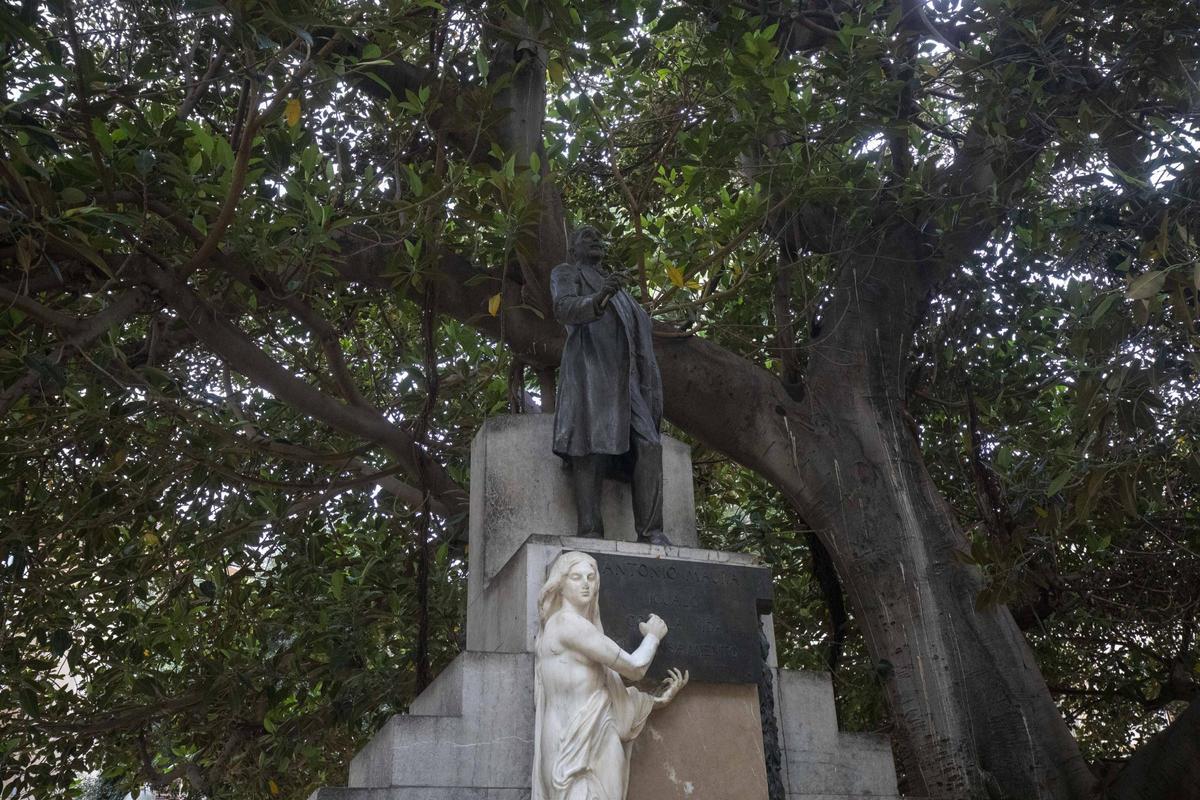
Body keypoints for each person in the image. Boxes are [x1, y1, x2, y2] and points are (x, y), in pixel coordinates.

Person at [533, 551, 688, 800]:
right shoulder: (566, 624)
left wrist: (655, 701)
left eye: (591, 577)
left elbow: (599, 691)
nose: (586, 583)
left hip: (602, 733)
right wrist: (653, 636)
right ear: (560, 585)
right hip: (568, 744)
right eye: (576, 577)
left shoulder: (578, 627)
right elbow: (635, 667)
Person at [551, 226, 670, 545]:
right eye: (588, 236)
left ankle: (651, 532)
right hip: (591, 373)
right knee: (588, 447)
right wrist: (600, 296)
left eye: (598, 236)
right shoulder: (566, 272)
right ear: (573, 249)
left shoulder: (625, 295)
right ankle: (589, 529)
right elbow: (563, 308)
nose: (597, 240)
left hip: (629, 384)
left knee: (649, 444)